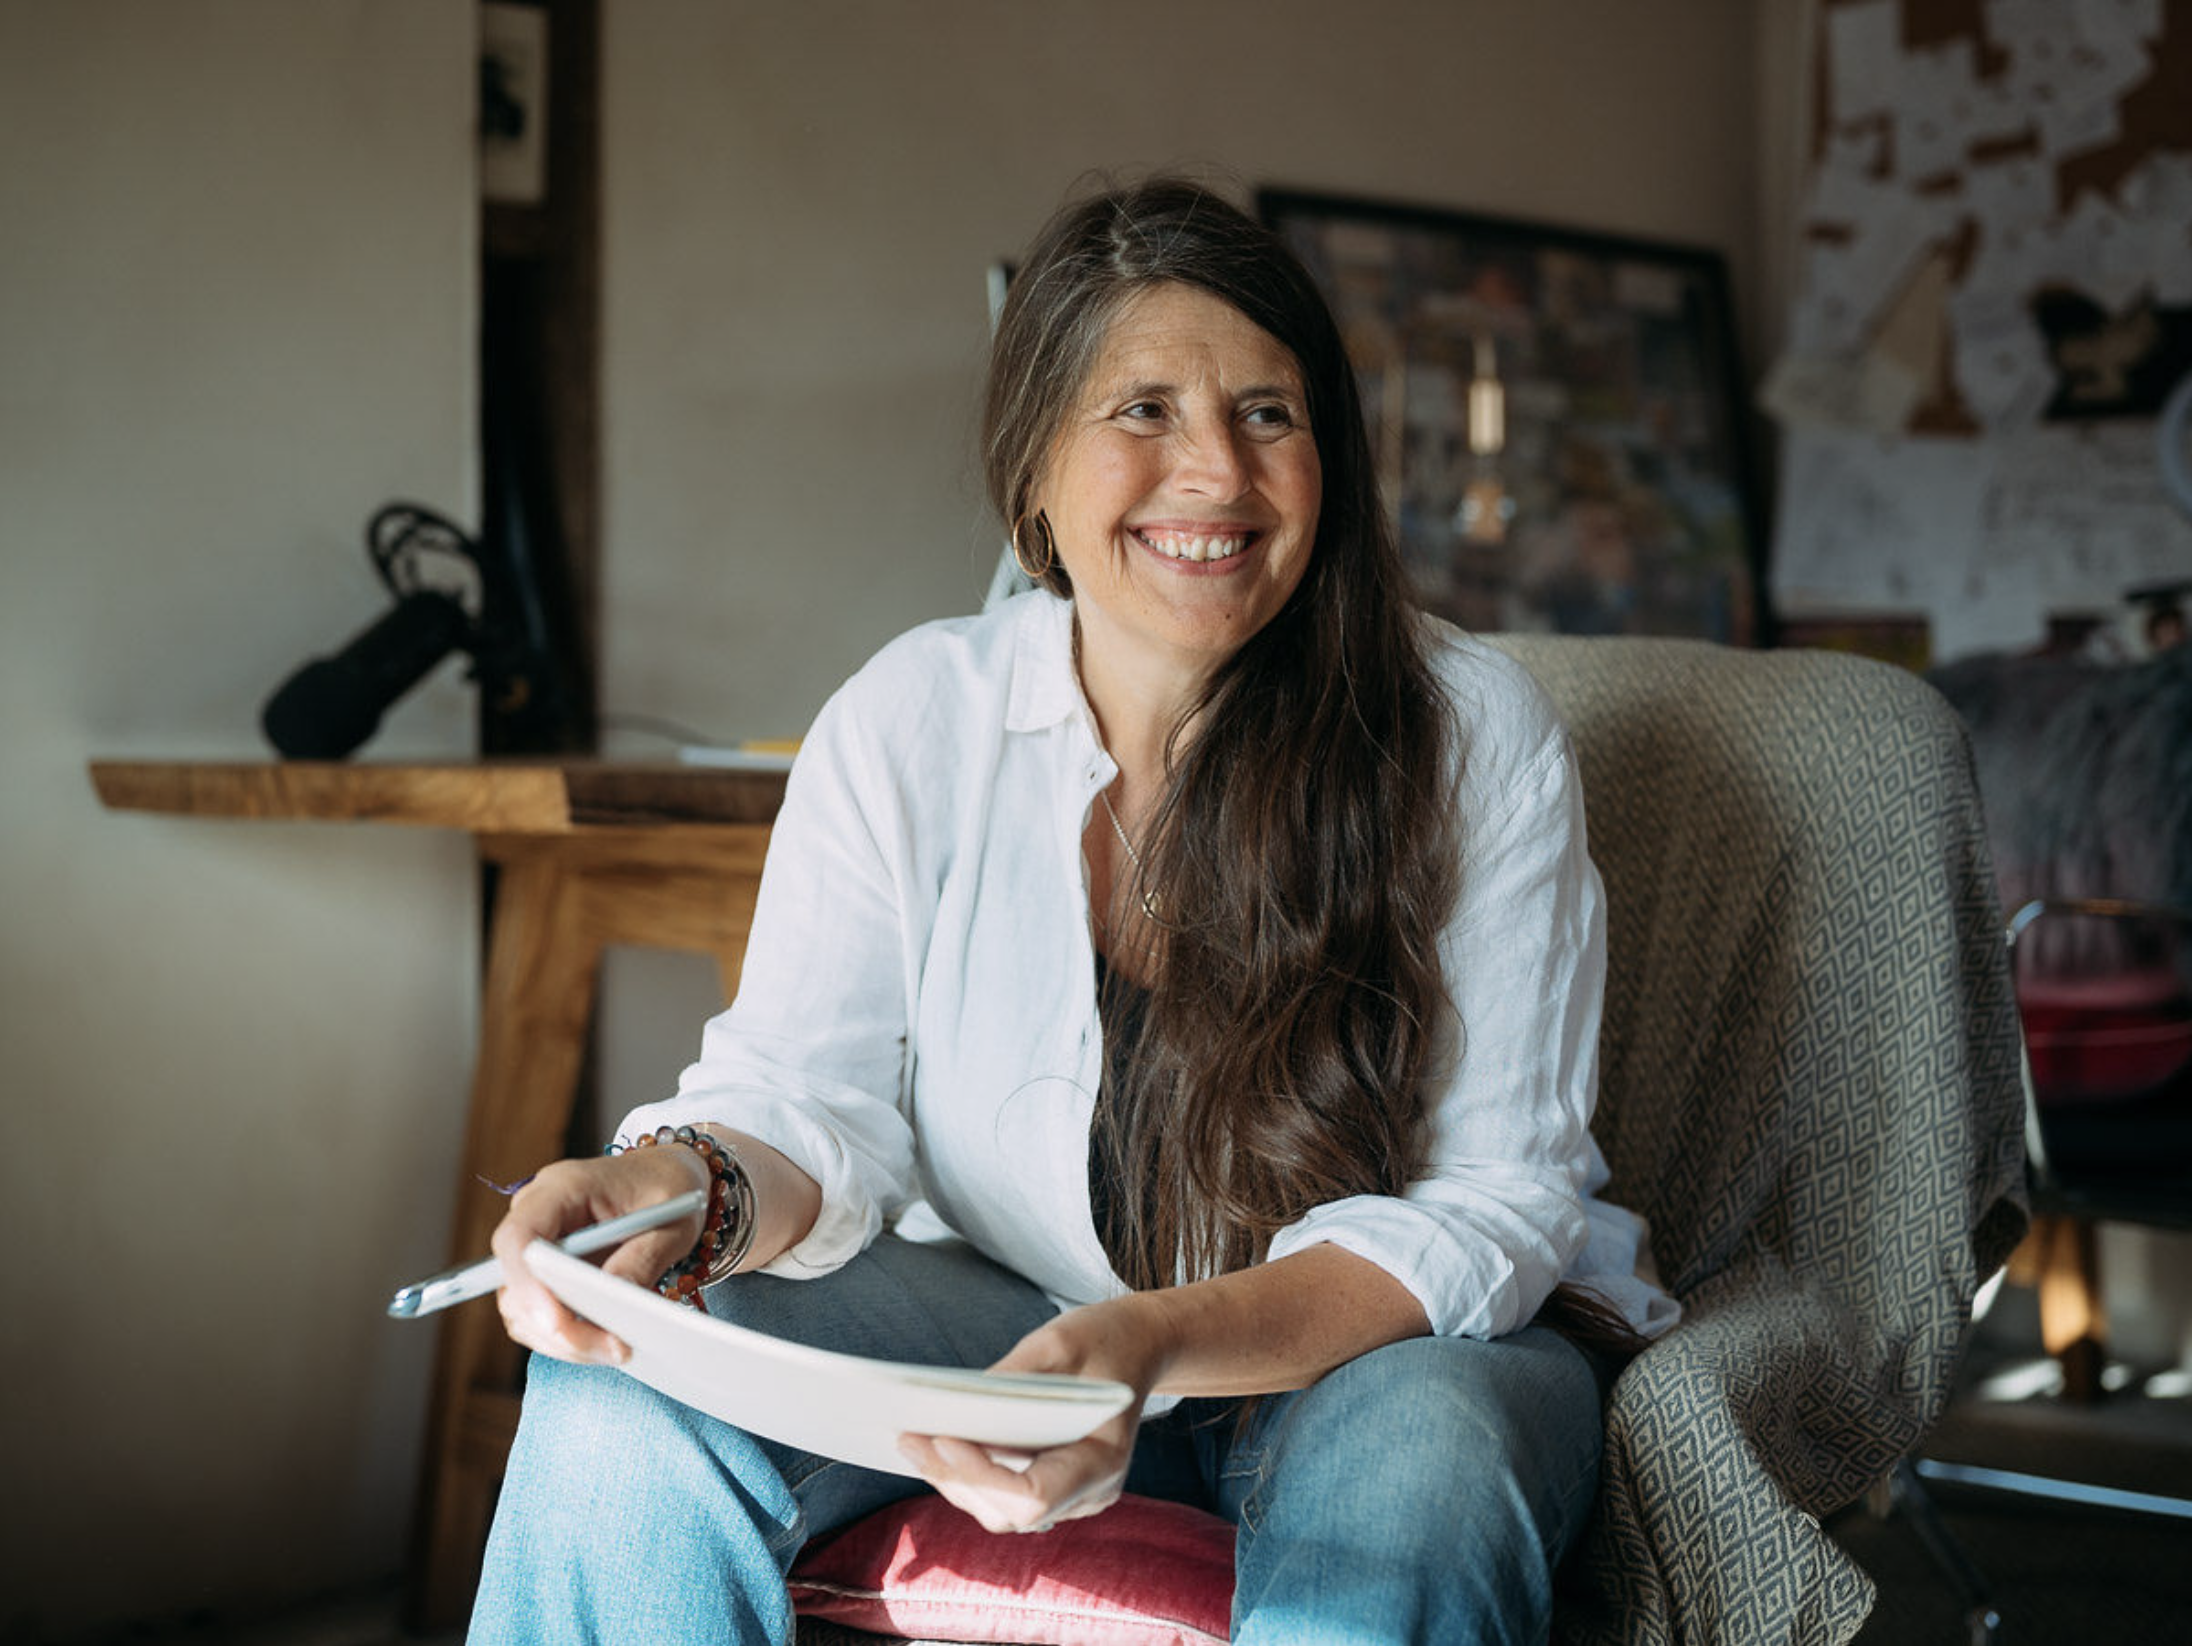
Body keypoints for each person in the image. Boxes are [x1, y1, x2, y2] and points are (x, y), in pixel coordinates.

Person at [468, 176, 1677, 1645]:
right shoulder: (914, 714)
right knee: (618, 1380)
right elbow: (802, 1100)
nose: (1216, 473)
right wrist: (668, 1187)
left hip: (1386, 1353)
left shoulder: (1469, 734)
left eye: (1269, 414)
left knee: (1427, 1468)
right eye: (1144, 410)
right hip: (1024, 1310)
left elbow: (1496, 1209)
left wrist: (1150, 1347)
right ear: (1034, 467)